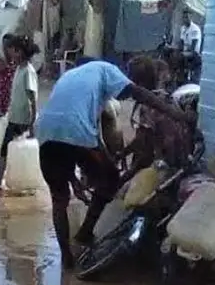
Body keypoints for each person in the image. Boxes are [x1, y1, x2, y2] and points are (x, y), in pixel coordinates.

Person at [35, 56, 195, 270]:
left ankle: (66, 258)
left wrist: (74, 177)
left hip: (45, 132)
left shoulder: (71, 77)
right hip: (75, 132)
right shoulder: (108, 70)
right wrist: (177, 114)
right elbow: (138, 93)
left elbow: (81, 131)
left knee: (59, 200)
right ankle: (84, 233)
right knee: (111, 179)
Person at [0, 35, 39, 195]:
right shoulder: (19, 69)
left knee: (14, 151)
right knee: (7, 150)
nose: (10, 54)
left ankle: (13, 183)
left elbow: (32, 99)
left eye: (12, 50)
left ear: (20, 52)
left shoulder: (28, 71)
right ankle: (2, 182)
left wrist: (32, 123)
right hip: (14, 117)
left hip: (23, 120)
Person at [178, 10, 202, 83]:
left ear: (191, 17)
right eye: (184, 17)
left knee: (181, 56)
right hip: (185, 52)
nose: (185, 19)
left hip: (194, 53)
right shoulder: (183, 28)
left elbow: (193, 48)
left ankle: (185, 78)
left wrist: (183, 53)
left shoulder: (195, 29)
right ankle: (179, 78)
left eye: (187, 17)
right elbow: (181, 42)